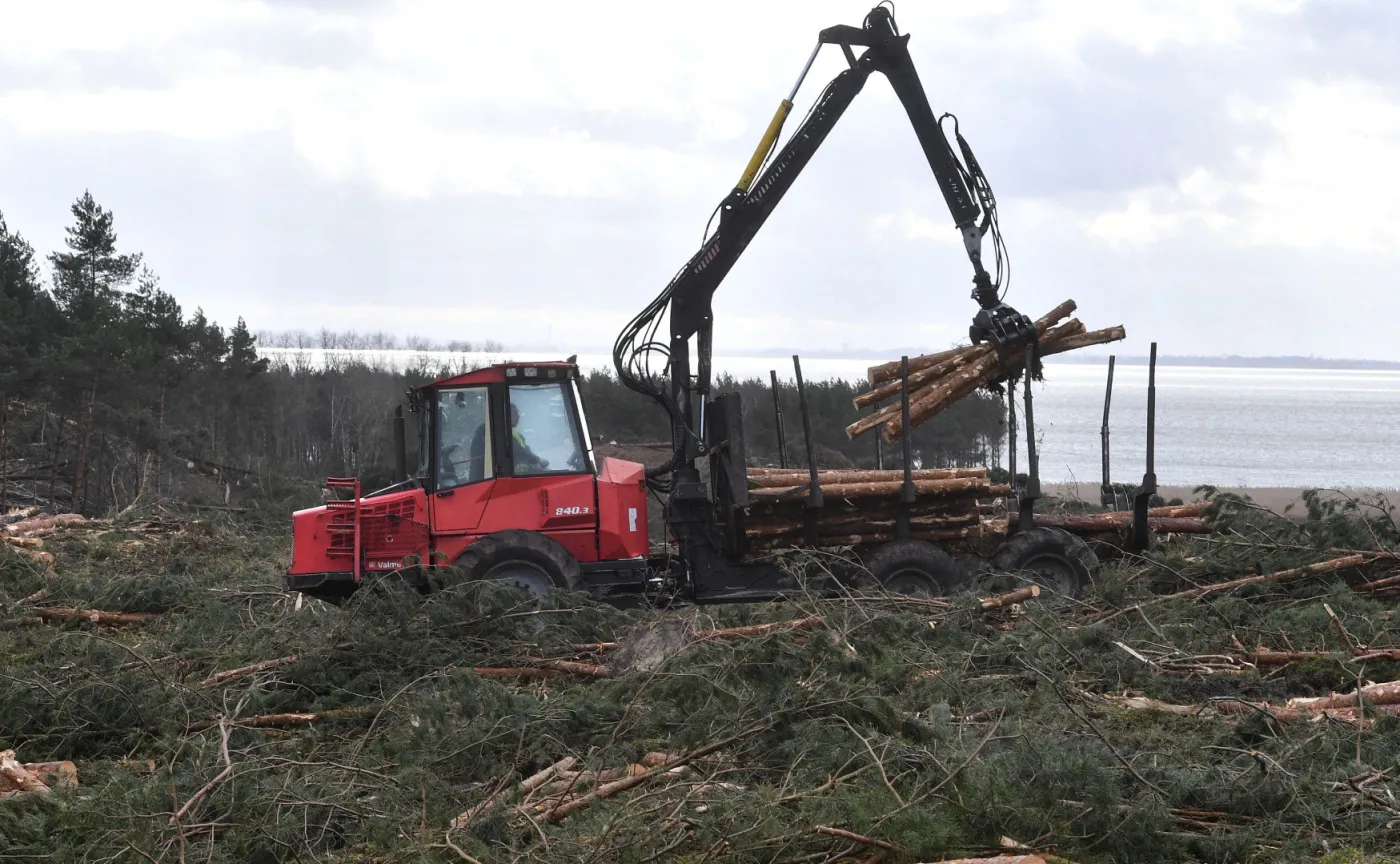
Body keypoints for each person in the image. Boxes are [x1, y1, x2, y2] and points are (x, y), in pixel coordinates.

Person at [509, 403, 549, 473]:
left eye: (518, 413)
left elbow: (525, 450)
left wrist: (537, 461)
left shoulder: (517, 434)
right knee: (540, 471)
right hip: (514, 468)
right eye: (515, 413)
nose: (518, 416)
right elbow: (521, 451)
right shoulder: (504, 434)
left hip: (521, 465)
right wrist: (538, 460)